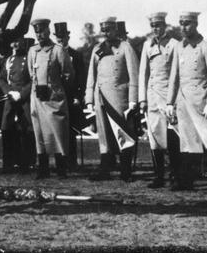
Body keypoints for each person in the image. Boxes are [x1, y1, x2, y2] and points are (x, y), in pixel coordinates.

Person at [166, 11, 207, 192]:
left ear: (196, 24)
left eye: (188, 23)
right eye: (181, 23)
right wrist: (170, 102)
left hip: (202, 101)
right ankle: (187, 182)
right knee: (188, 143)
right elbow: (174, 77)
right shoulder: (179, 47)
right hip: (184, 102)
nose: (184, 27)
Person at [85, 17, 140, 181]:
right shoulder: (98, 49)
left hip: (119, 97)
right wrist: (89, 99)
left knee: (122, 133)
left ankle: (125, 171)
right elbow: (91, 75)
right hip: (100, 97)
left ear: (115, 30)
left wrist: (133, 99)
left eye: (109, 30)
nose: (106, 33)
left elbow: (134, 75)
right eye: (103, 30)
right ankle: (104, 169)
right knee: (103, 134)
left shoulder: (126, 47)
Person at [138, 12, 181, 189]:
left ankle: (175, 174)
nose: (156, 29)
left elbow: (177, 74)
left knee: (173, 137)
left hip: (169, 97)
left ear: (165, 26)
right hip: (152, 97)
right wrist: (142, 99)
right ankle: (159, 176)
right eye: (153, 26)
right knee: (155, 137)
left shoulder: (174, 44)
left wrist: (174, 99)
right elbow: (143, 73)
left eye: (159, 25)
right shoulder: (147, 45)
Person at [28, 18, 75, 178]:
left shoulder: (58, 50)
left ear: (48, 31)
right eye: (37, 32)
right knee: (39, 133)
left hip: (54, 98)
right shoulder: (32, 51)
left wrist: (57, 89)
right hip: (37, 98)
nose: (39, 35)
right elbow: (31, 73)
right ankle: (43, 168)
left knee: (57, 132)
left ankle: (61, 168)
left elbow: (68, 74)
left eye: (42, 31)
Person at [0, 37, 34, 173]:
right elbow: (1, 78)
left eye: (18, 42)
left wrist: (22, 94)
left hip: (25, 99)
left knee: (27, 130)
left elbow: (33, 79)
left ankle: (27, 163)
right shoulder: (8, 60)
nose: (15, 45)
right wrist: (8, 91)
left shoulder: (29, 59)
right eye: (13, 42)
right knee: (7, 129)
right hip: (10, 99)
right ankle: (8, 163)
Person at [53, 22, 86, 170]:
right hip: (56, 97)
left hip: (71, 97)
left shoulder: (75, 55)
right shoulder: (51, 54)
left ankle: (72, 161)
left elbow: (81, 78)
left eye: (63, 37)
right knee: (57, 128)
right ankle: (60, 161)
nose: (60, 40)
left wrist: (78, 96)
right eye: (58, 38)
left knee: (71, 129)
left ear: (68, 37)